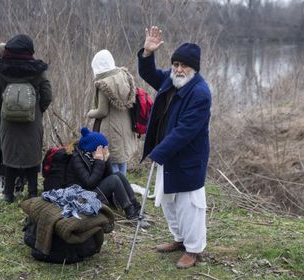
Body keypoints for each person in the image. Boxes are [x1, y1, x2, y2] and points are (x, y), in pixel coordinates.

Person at [137, 26, 211, 268]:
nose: (178, 69)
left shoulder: (200, 93)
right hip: (167, 154)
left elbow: (185, 131)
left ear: (194, 68)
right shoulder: (172, 80)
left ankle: (194, 249)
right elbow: (149, 74)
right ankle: (179, 239)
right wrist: (147, 53)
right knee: (168, 199)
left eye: (184, 66)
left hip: (187, 157)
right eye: (176, 64)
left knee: (189, 205)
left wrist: (158, 152)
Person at [0, 34, 52, 203]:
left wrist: (6, 111)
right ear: (29, 51)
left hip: (8, 122)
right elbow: (47, 95)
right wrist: (38, 110)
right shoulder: (38, 71)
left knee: (10, 154)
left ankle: (8, 194)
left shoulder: (0, 70)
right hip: (33, 121)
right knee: (32, 154)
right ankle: (31, 193)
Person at [65, 127, 142, 220]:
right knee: (114, 179)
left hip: (91, 190)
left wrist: (106, 160)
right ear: (91, 149)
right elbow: (89, 183)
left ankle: (136, 206)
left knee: (118, 175)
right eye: (101, 148)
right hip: (81, 196)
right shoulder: (76, 159)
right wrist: (99, 161)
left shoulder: (91, 156)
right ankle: (130, 212)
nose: (103, 150)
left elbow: (109, 176)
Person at [0, 43, 26, 200]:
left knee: (18, 150)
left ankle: (19, 184)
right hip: (0, 120)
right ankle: (4, 186)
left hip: (19, 119)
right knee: (1, 152)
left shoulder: (19, 74)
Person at [87, 49, 137, 176]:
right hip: (125, 127)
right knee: (122, 159)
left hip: (111, 129)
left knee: (113, 161)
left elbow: (102, 111)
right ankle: (124, 186)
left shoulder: (104, 84)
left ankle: (117, 190)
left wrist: (89, 113)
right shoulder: (124, 77)